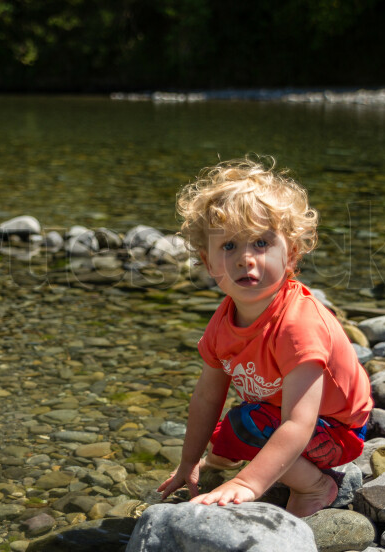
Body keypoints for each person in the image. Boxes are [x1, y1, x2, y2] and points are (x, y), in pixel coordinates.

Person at [158, 158, 373, 518]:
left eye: (261, 243)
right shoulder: (225, 318)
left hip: (337, 427)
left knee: (248, 423)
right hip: (276, 407)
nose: (245, 259)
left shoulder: (297, 326)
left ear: (290, 253)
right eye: (228, 247)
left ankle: (318, 486)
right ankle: (239, 457)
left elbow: (298, 422)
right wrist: (188, 462)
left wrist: (248, 483)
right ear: (208, 262)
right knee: (227, 428)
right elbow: (207, 395)